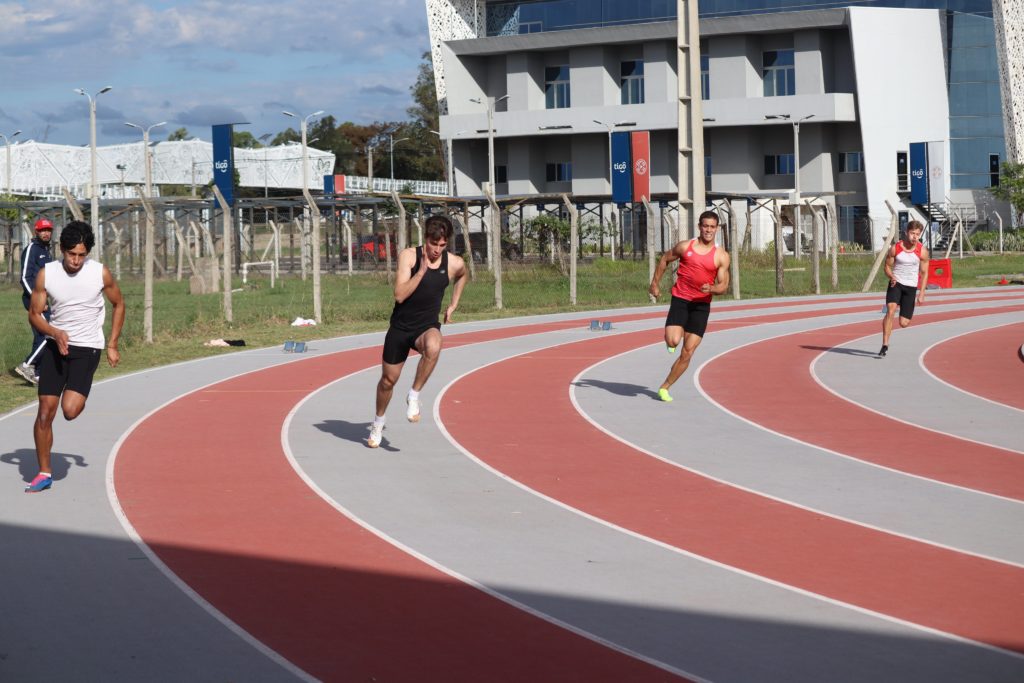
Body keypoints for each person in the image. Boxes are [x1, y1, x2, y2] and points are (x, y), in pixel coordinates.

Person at [24, 221, 125, 493]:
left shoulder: (99, 273)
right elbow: (34, 314)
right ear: (62, 249)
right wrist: (54, 332)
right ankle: (44, 472)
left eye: (81, 254)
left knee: (70, 411)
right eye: (71, 254)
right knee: (45, 411)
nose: (76, 260)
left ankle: (78, 390)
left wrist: (113, 344)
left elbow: (119, 304)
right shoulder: (47, 274)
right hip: (56, 345)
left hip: (87, 348)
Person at [367, 215, 467, 448]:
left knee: (435, 345)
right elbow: (399, 294)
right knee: (388, 381)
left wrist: (454, 303)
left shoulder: (453, 263)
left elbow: (463, 275)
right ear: (426, 240)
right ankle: (378, 422)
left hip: (426, 327)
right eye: (434, 244)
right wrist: (421, 271)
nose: (437, 250)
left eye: (442, 245)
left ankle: (414, 395)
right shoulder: (409, 256)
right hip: (401, 328)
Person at [648, 211, 731, 402]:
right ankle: (672, 339)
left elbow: (724, 286)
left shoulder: (721, 256)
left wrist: (711, 288)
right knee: (673, 341)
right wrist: (654, 283)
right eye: (705, 226)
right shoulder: (685, 247)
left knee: (688, 352)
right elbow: (664, 260)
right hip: (681, 300)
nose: (708, 230)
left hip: (701, 306)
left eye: (712, 226)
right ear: (699, 226)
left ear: (716, 229)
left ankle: (665, 387)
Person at [879, 220, 929, 357]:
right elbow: (887, 267)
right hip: (896, 283)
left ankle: (900, 311)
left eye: (917, 234)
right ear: (906, 233)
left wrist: (922, 293)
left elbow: (924, 273)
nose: (915, 237)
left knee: (904, 323)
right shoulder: (896, 248)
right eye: (912, 233)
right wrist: (891, 276)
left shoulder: (922, 251)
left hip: (911, 287)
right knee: (891, 309)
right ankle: (885, 344)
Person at [16, 218, 54, 384]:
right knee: (48, 334)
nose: (46, 233)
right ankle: (27, 364)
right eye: (42, 230)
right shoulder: (32, 249)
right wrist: (37, 299)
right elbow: (25, 278)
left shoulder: (46, 250)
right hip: (34, 300)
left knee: (40, 336)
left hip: (44, 298)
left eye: (48, 230)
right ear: (36, 232)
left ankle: (36, 373)